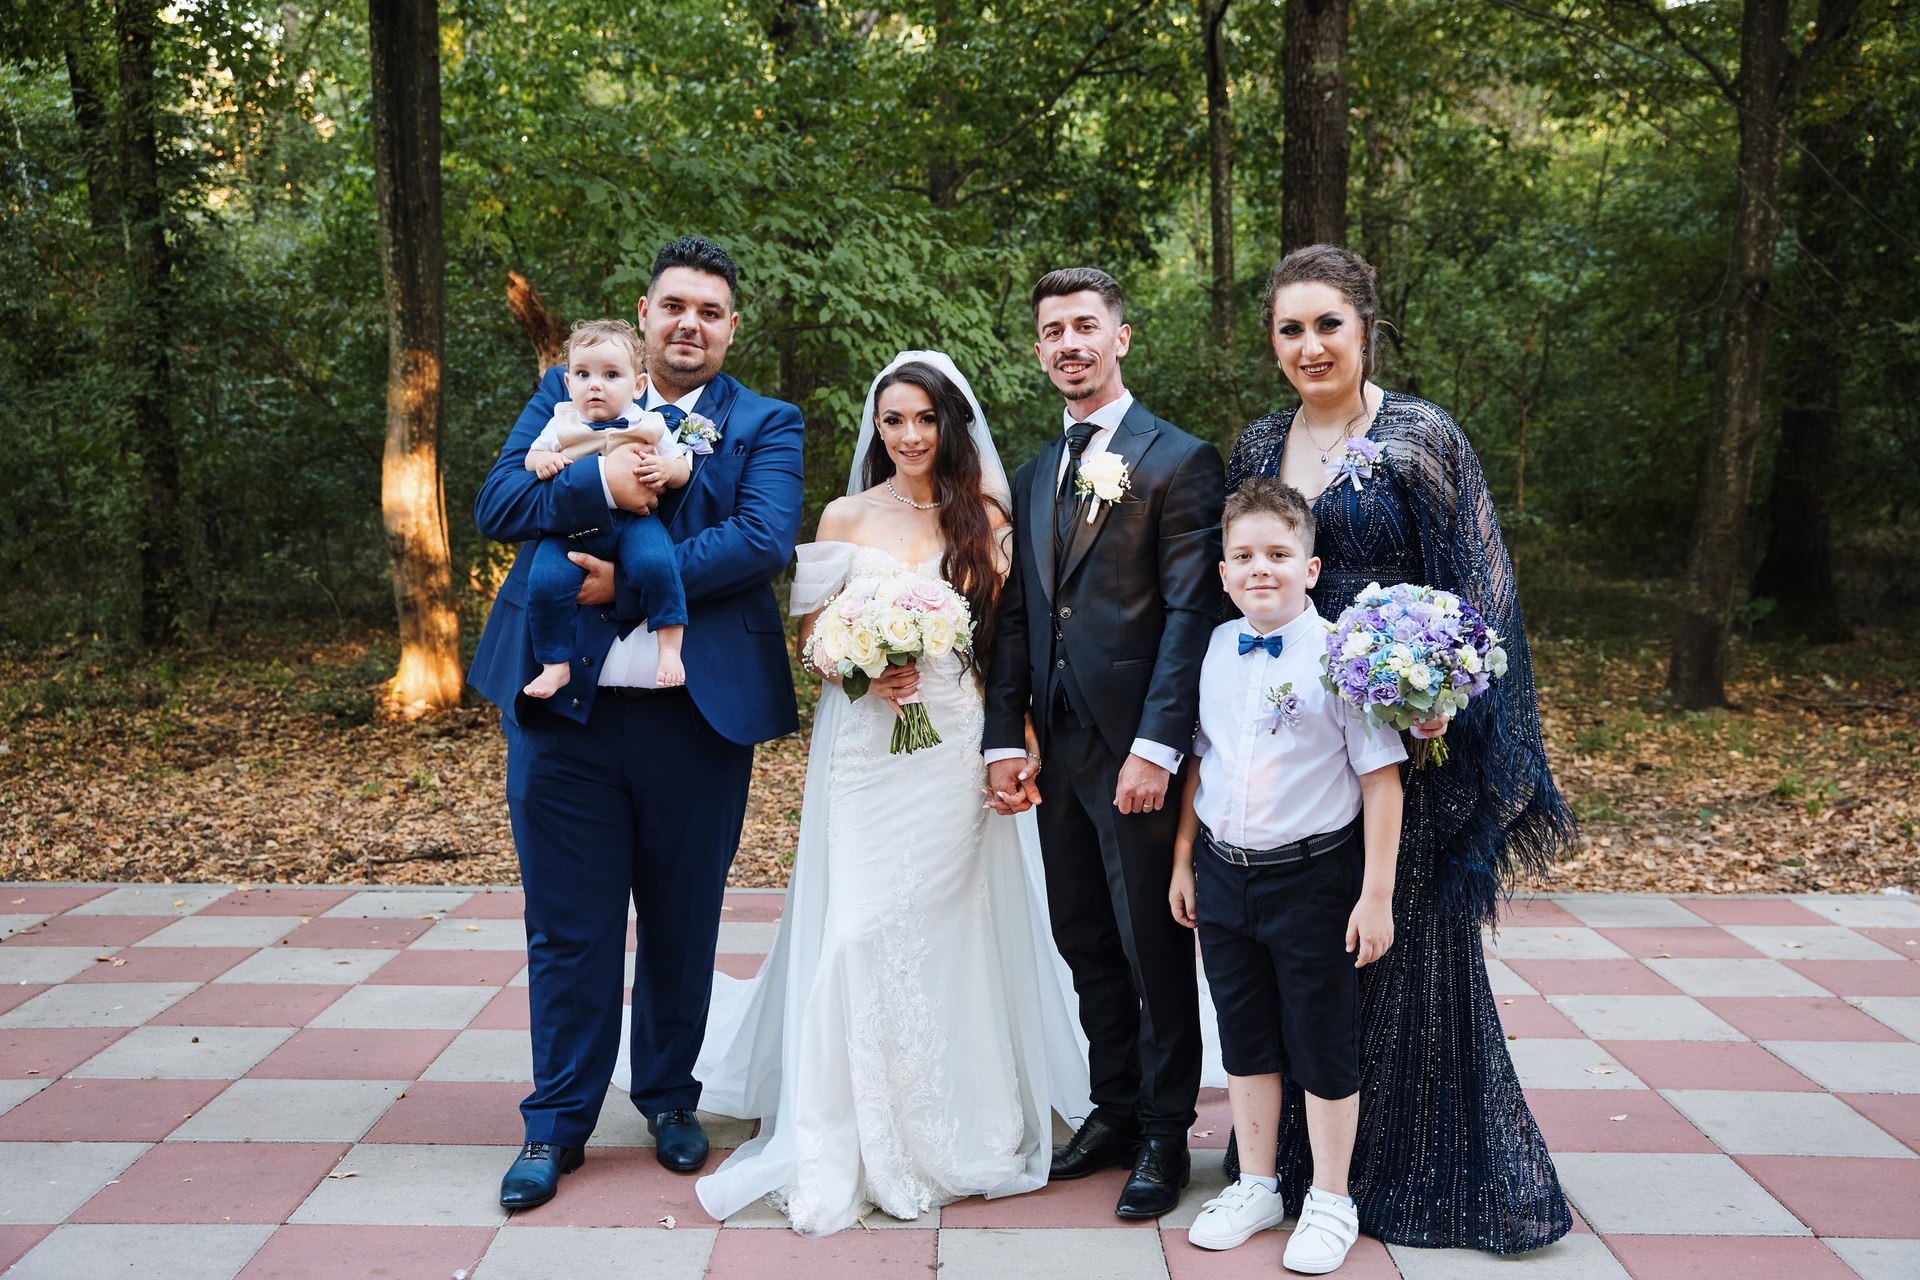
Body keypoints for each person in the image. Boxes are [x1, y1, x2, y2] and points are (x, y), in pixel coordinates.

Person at [1220, 243, 1576, 1253]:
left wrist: (1442, 697)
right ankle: (1295, 1169)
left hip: (1399, 738)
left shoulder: (1422, 436)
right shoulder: (1257, 446)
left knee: (1393, 943)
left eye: (1328, 323)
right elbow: (1237, 578)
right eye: (1290, 328)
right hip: (1291, 740)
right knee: (1303, 953)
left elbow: (1480, 589)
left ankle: (1408, 1167)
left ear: (1366, 327)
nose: (1310, 345)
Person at [690, 352, 1089, 1236]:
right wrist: (862, 668)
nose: (910, 436)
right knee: (859, 927)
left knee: (950, 926)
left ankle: (960, 1125)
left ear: (951, 425)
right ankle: (852, 1126)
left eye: (925, 419)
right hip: (868, 752)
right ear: (876, 427)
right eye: (894, 420)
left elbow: (1008, 643)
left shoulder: (987, 515)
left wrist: (1013, 742)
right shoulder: (844, 515)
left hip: (953, 745)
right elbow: (811, 642)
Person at [467, 236, 804, 1209]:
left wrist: (623, 586)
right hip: (562, 717)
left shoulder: (764, 422)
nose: (690, 323)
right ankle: (556, 1121)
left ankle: (668, 1097)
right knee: (567, 928)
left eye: (710, 310)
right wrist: (599, 487)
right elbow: (500, 500)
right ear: (645, 314)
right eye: (675, 306)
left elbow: (760, 539)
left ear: (732, 327)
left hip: (695, 716)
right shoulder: (571, 391)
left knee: (682, 922)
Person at [984, 268, 1225, 1221]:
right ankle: (1114, 1108)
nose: (1069, 344)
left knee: (1150, 945)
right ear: (1039, 348)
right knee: (1082, 937)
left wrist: (1159, 746)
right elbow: (1018, 617)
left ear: (1120, 338)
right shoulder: (1035, 472)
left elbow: (1191, 613)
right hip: (1060, 750)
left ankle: (1167, 1131)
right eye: (1053, 331)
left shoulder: (1180, 459)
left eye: (1085, 326)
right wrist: (1003, 737)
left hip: (1135, 751)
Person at [1169, 479, 1405, 1273]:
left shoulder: (1344, 656)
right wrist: (1184, 860)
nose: (1259, 568)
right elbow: (1201, 762)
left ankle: (1332, 1198)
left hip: (1314, 881)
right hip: (1223, 874)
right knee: (1244, 1037)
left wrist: (1376, 896)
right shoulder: (1214, 648)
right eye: (1243, 556)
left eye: (1277, 553)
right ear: (1223, 570)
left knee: (1321, 1039)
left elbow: (1381, 781)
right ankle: (1258, 1184)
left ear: (1311, 567)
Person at [520, 319, 692, 698]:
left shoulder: (649, 423)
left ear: (638, 385)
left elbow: (681, 467)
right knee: (545, 580)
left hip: (634, 523)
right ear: (569, 383)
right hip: (572, 530)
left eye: (611, 375)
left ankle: (669, 648)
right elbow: (531, 457)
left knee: (657, 563)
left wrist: (667, 470)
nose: (595, 385)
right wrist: (543, 462)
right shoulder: (561, 421)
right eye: (583, 374)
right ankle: (554, 665)